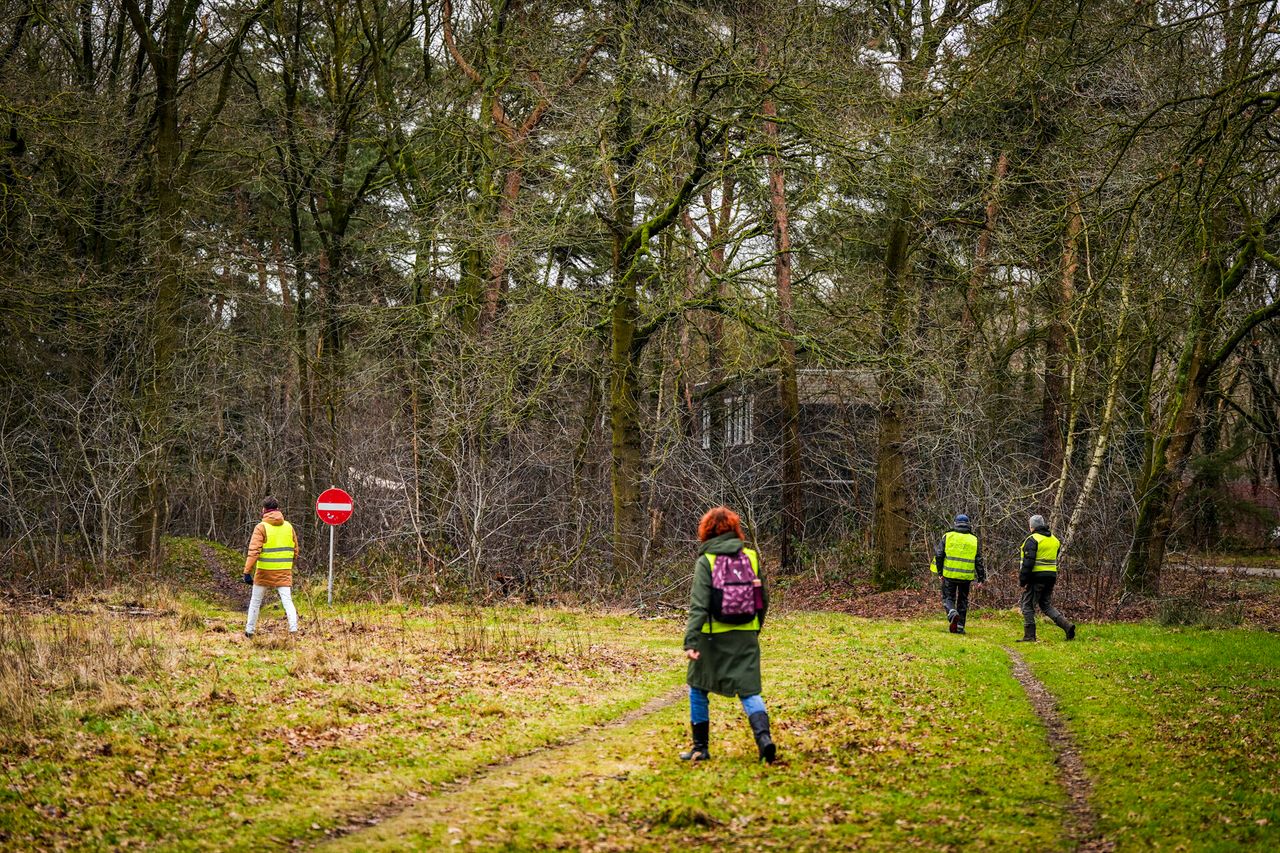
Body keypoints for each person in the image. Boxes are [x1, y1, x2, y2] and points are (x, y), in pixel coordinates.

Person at [680, 506, 776, 764]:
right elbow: (763, 599)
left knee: (698, 688)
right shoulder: (751, 557)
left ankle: (700, 748)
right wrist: (755, 628)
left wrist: (690, 641)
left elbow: (698, 605)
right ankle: (764, 739)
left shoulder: (706, 561)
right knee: (749, 690)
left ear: (706, 531)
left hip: (711, 637)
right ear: (735, 530)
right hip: (745, 634)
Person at [243, 496, 300, 637]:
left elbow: (254, 551)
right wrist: (289, 565)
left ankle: (250, 631)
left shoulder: (261, 527)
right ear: (278, 509)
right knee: (287, 601)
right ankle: (293, 629)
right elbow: (296, 550)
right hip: (283, 570)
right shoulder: (288, 526)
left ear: (264, 510)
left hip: (264, 572)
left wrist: (247, 571)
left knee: (255, 601)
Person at [1017, 514, 1076, 643]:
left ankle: (1029, 636)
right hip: (1051, 576)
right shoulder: (1054, 540)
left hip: (1036, 577)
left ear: (1032, 526)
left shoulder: (1032, 540)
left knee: (1027, 605)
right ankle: (1067, 626)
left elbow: (1028, 563)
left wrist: (1023, 580)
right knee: (1046, 605)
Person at [932, 513, 985, 634]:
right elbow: (978, 560)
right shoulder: (974, 539)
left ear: (955, 523)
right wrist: (981, 578)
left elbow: (939, 555)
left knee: (948, 597)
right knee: (963, 600)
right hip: (966, 576)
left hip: (949, 574)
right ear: (968, 525)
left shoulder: (948, 536)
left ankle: (951, 612)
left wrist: (940, 571)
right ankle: (960, 626)